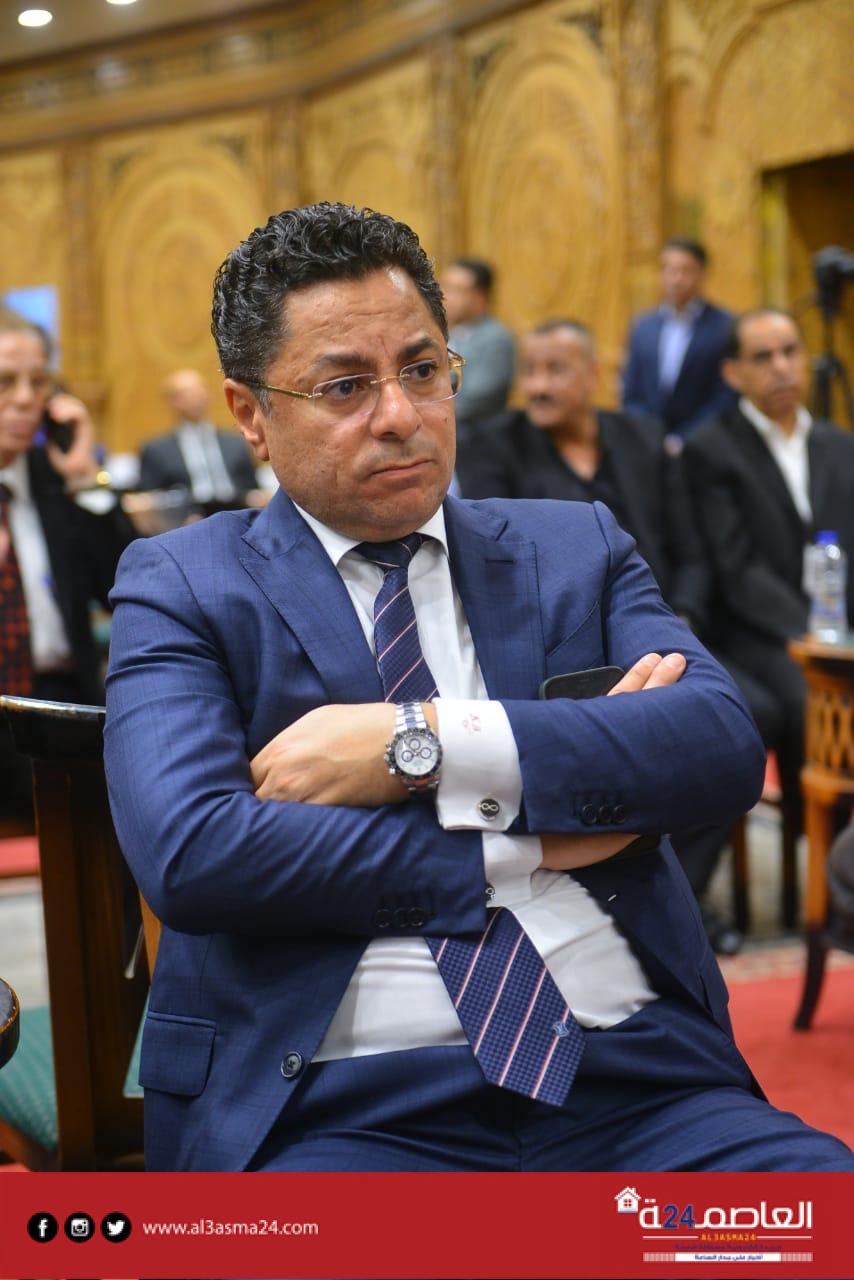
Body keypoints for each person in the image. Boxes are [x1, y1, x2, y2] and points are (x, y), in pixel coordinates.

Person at [104, 203, 853, 1174]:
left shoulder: (571, 547)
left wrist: (419, 743)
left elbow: (714, 743)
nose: (399, 416)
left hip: (638, 1081)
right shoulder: (187, 582)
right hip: (343, 1108)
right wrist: (531, 838)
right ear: (251, 413)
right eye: (344, 386)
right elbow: (197, 852)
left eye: (422, 370)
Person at [456, 318, 742, 954]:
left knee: (742, 722)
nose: (537, 385)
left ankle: (681, 896)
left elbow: (691, 549)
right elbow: (503, 571)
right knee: (634, 737)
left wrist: (681, 619)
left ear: (593, 376)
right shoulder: (494, 445)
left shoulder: (642, 437)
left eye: (555, 370)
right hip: (567, 648)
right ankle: (660, 901)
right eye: (530, 371)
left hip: (665, 630)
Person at [683, 307, 854, 840]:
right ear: (733, 373)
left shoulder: (838, 443)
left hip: (838, 627)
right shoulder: (711, 448)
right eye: (763, 357)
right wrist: (816, 635)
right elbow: (735, 569)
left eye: (789, 352)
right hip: (756, 631)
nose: (781, 367)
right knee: (811, 699)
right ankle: (823, 849)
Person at [0, 307, 134, 818]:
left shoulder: (56, 478)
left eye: (38, 382)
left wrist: (83, 476)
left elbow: (123, 586)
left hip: (58, 709)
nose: (25, 399)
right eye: (5, 381)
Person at [621, 237, 736, 443]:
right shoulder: (643, 326)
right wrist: (648, 435)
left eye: (685, 271)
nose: (676, 279)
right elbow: (631, 391)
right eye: (669, 270)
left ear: (702, 274)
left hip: (703, 442)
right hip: (649, 442)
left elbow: (725, 396)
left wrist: (684, 439)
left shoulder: (725, 326)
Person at [138, 367, 258, 502]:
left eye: (200, 391)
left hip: (237, 508)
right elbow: (148, 500)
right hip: (186, 513)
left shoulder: (236, 443)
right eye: (187, 394)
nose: (196, 398)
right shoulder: (155, 450)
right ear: (171, 401)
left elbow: (253, 489)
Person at [441, 258, 515, 439]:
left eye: (457, 290)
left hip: (476, 438)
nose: (445, 296)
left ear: (480, 297)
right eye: (444, 287)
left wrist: (427, 408)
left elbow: (473, 400)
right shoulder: (442, 333)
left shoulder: (496, 340)